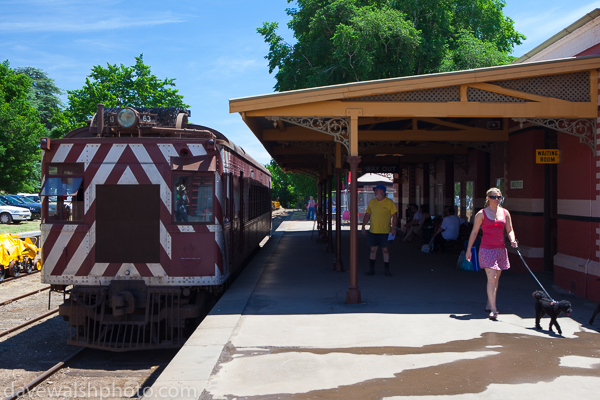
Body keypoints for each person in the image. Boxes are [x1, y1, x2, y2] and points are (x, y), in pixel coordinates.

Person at [465, 187, 518, 321]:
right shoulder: (481, 214)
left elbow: (510, 229)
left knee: (496, 278)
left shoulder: (505, 213)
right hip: (486, 249)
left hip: (500, 249)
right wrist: (469, 250)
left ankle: (490, 303)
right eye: (494, 197)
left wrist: (512, 240)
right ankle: (494, 309)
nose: (496, 200)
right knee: (492, 278)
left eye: (499, 197)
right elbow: (474, 232)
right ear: (488, 198)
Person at [361, 184, 398, 277]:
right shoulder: (372, 202)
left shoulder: (389, 202)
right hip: (373, 231)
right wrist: (363, 225)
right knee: (373, 249)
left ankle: (386, 270)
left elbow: (394, 216)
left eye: (376, 190)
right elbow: (367, 214)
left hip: (385, 231)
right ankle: (371, 269)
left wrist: (393, 228)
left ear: (382, 191)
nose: (374, 192)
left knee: (385, 250)